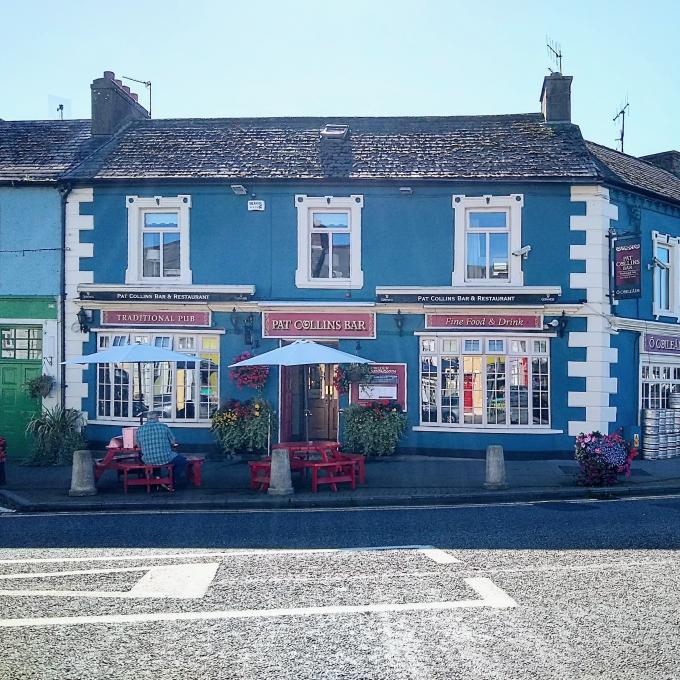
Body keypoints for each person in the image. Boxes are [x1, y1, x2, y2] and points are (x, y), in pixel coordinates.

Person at [134, 411, 188, 486]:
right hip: (165, 457)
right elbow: (173, 442)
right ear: (157, 418)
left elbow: (139, 446)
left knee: (152, 457)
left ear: (147, 419)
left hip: (148, 459)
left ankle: (157, 477)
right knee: (182, 461)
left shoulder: (139, 430)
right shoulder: (164, 427)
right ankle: (171, 480)